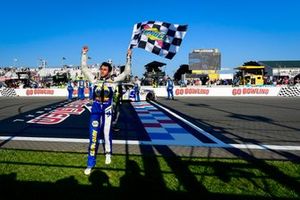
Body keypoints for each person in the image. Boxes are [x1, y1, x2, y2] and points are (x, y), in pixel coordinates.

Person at [81, 46, 132, 175]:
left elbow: (126, 73)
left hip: (108, 111)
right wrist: (84, 54)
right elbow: (84, 69)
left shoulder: (113, 81)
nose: (102, 71)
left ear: (109, 71)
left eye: (104, 69)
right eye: (101, 69)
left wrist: (128, 57)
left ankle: (108, 153)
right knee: (93, 137)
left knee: (106, 133)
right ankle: (90, 163)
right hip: (96, 110)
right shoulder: (94, 80)